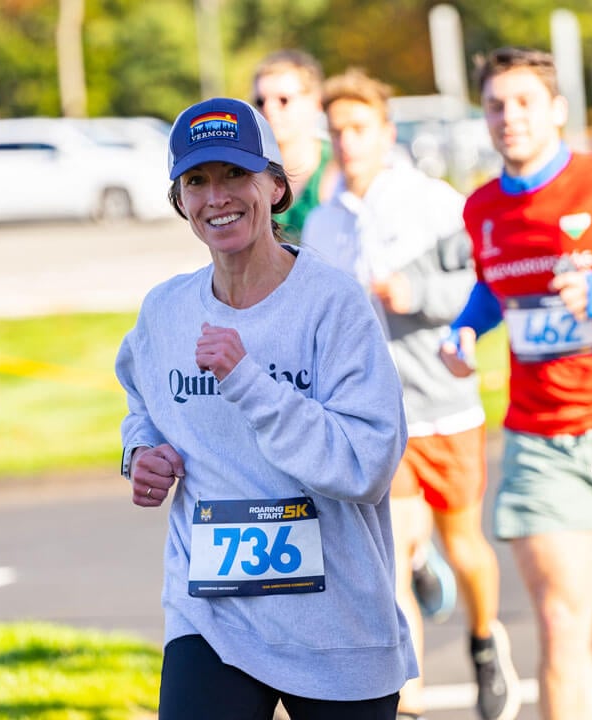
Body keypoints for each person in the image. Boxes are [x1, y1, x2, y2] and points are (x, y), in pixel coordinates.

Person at [115, 96, 416, 720]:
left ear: (275, 186)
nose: (216, 197)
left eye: (235, 175)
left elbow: (366, 466)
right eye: (196, 181)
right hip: (212, 615)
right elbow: (141, 396)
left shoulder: (332, 303)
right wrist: (142, 452)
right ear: (180, 202)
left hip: (336, 619)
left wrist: (248, 380)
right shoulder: (166, 311)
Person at [438, 47, 592, 720]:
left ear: (557, 111)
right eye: (495, 105)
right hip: (541, 437)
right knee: (560, 623)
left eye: (524, 103)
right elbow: (496, 284)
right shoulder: (483, 207)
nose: (508, 118)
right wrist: (464, 327)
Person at [303, 68, 519, 720]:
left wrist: (417, 294)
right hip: (371, 418)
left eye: (359, 128)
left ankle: (485, 640)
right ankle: (411, 702)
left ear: (387, 133)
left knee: (467, 547)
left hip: (443, 407)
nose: (347, 142)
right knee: (388, 558)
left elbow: (488, 289)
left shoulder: (435, 204)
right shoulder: (322, 225)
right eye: (336, 131)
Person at [252, 49, 340, 242]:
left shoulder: (340, 166)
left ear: (316, 102)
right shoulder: (251, 170)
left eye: (283, 100)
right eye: (260, 101)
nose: (269, 109)